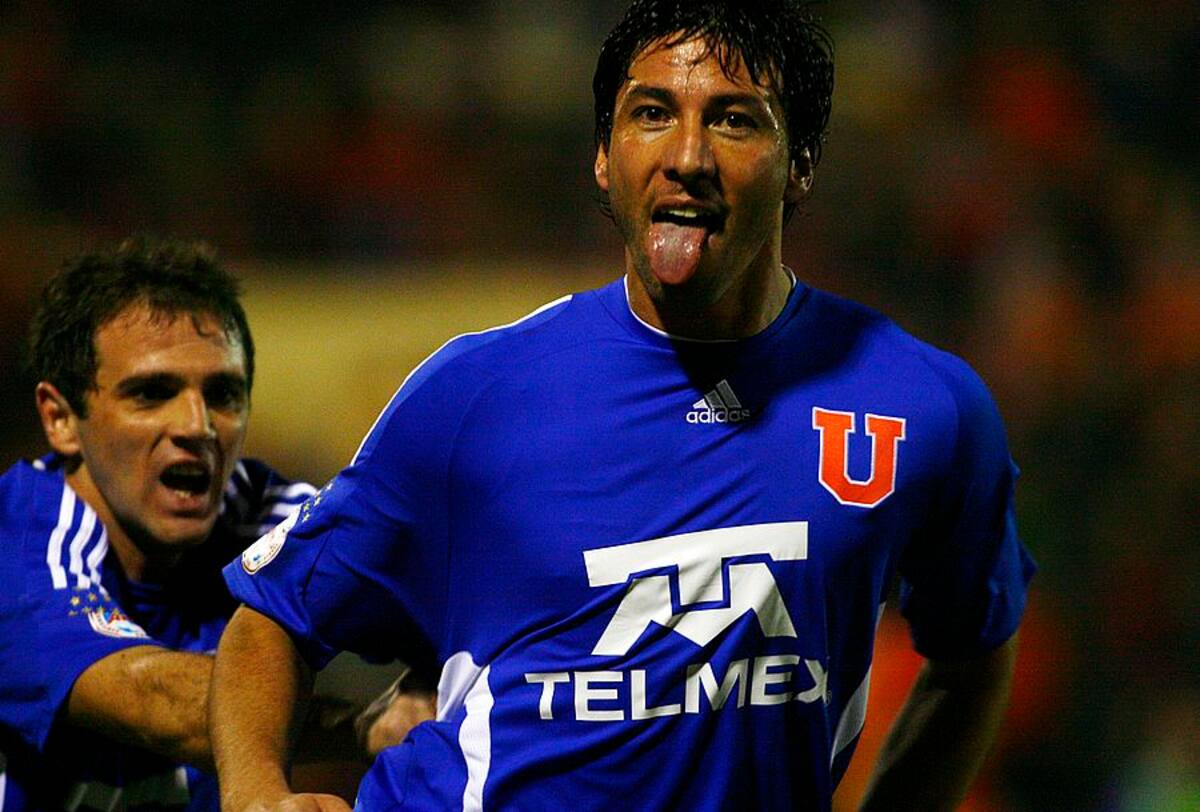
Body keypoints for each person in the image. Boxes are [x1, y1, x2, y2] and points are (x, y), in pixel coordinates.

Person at [211, 1, 1037, 810]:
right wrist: (254, 796)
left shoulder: (924, 406)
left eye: (735, 120)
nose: (687, 156)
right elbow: (274, 614)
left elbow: (974, 657)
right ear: (604, 158)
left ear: (803, 164)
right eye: (651, 113)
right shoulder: (476, 395)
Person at [0, 238, 433, 812]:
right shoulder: (18, 542)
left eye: (223, 393)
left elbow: (448, 583)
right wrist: (366, 727)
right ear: (60, 419)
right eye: (152, 393)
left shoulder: (263, 511)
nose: (197, 425)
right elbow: (152, 699)